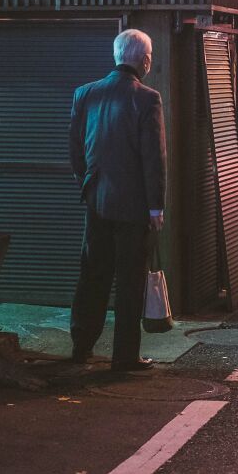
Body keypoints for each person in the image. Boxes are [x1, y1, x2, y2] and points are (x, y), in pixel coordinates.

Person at [69, 29, 167, 371]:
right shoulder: (147, 98)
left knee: (92, 274)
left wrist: (89, 184)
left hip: (97, 200)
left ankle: (81, 346)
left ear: (116, 55)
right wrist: (156, 207)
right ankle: (124, 357)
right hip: (134, 206)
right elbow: (153, 159)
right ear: (145, 59)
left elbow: (75, 150)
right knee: (129, 281)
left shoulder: (86, 94)